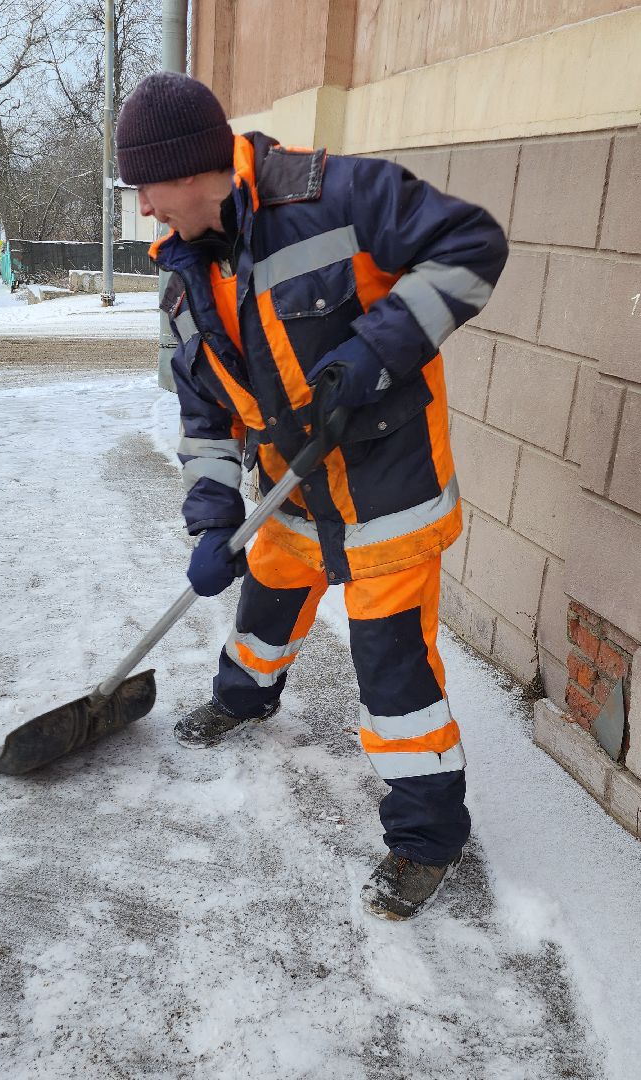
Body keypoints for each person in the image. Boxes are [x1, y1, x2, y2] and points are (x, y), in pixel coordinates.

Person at [117, 73, 507, 921]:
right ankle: (243, 698)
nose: (144, 208)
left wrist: (374, 353)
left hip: (386, 491)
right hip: (292, 491)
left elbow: (472, 244)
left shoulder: (335, 196)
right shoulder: (182, 282)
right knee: (266, 601)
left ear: (191, 168)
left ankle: (427, 838)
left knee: (393, 672)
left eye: (148, 186)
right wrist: (213, 519)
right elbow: (205, 418)